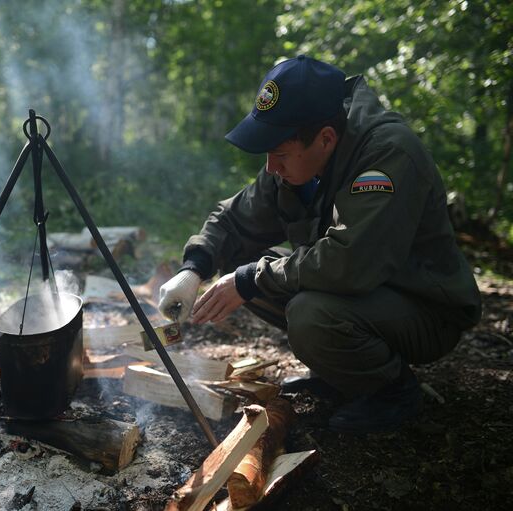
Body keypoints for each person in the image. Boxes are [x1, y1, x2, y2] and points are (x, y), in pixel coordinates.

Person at [158, 55, 481, 433]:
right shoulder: (297, 160)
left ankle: (392, 392)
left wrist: (249, 280)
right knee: (251, 272)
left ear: (326, 138)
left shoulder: (388, 154)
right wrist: (193, 268)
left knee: (309, 312)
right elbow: (233, 218)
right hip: (367, 292)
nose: (270, 168)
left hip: (425, 308)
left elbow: (349, 263)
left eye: (278, 154)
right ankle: (341, 372)